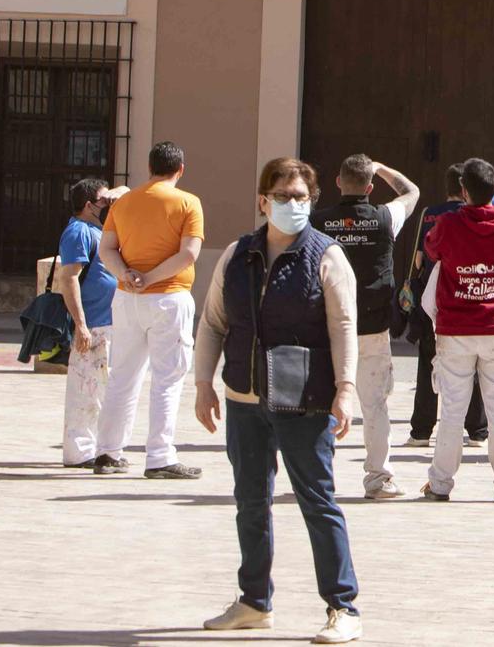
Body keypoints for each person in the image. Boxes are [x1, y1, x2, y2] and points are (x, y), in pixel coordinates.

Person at [194, 158, 362, 644]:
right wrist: (204, 384)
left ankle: (342, 606)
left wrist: (345, 390)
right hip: (244, 398)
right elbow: (213, 323)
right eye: (282, 196)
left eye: (301, 197)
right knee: (250, 501)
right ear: (262, 201)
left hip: (304, 401)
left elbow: (344, 327)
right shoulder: (237, 254)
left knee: (318, 501)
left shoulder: (327, 256)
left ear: (313, 201)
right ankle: (253, 602)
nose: (292, 205)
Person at [95, 141, 206, 479]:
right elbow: (189, 254)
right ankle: (159, 456)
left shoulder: (125, 202)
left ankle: (107, 452)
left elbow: (107, 249)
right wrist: (151, 277)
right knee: (167, 379)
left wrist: (127, 276)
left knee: (123, 376)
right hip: (169, 299)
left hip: (126, 299)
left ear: (149, 168)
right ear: (181, 169)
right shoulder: (189, 202)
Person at [312, 156, 421, 500]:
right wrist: (382, 167)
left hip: (328, 326)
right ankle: (379, 479)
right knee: (374, 405)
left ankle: (318, 480)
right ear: (370, 188)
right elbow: (412, 191)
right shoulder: (385, 217)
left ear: (338, 183)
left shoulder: (317, 222)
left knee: (324, 403)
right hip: (372, 326)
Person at [423, 158, 494, 501]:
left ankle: (440, 484)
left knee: (452, 409)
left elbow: (432, 249)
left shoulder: (447, 224)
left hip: (456, 328)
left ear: (463, 190)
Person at [403, 165, 486, 447]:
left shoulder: (430, 213)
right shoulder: (475, 216)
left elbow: (417, 260)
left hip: (432, 299)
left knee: (428, 363)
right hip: (467, 296)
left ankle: (421, 431)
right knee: (473, 363)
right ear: (466, 189)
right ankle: (477, 430)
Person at [58, 177, 126, 468]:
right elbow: (69, 277)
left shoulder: (98, 230)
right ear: (88, 205)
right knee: (86, 390)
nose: (108, 205)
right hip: (93, 324)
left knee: (103, 390)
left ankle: (98, 448)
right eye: (102, 200)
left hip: (108, 323)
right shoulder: (78, 232)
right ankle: (79, 451)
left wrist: (115, 195)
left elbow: (127, 195)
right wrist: (80, 325)